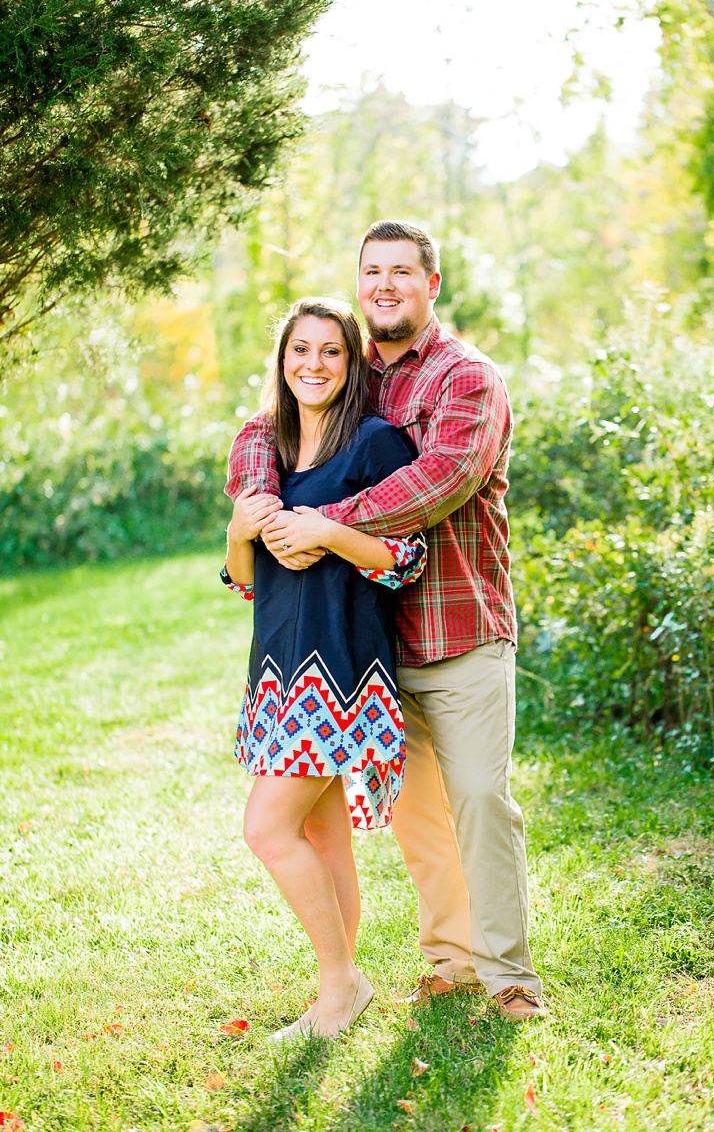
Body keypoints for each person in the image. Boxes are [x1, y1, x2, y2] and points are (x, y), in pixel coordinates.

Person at [227, 220, 546, 1020]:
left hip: (457, 624)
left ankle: (511, 978)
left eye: (402, 271)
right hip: (367, 641)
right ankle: (450, 959)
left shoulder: (467, 377)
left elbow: (438, 483)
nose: (385, 285)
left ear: (431, 284)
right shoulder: (348, 364)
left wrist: (324, 523)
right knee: (419, 815)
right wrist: (259, 502)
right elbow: (268, 426)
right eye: (373, 271)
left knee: (478, 798)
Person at [223, 297, 426, 1039]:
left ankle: (342, 987)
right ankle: (336, 987)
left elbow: (406, 561)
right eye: (299, 350)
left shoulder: (374, 445)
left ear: (351, 362)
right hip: (277, 664)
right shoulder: (266, 454)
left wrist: (328, 531)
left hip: (339, 670)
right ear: (282, 361)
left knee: (267, 828)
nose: (313, 364)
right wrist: (238, 529)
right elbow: (245, 579)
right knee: (319, 836)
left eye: (331, 351)